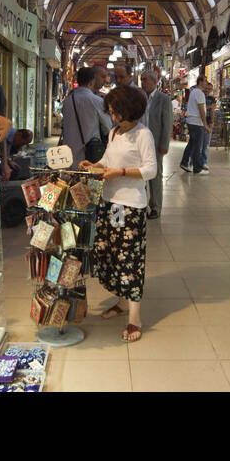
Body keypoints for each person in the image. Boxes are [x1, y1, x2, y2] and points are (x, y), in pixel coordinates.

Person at [86, 84, 157, 343]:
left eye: (115, 110)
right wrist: (94, 166)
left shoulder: (143, 135)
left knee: (130, 259)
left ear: (128, 110)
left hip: (131, 204)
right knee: (112, 253)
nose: (111, 114)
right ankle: (120, 300)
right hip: (111, 202)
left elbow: (151, 170)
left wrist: (122, 173)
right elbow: (107, 161)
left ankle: (134, 317)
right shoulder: (114, 132)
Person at [59, 65, 111, 166]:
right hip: (89, 154)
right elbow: (108, 127)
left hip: (69, 154)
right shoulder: (97, 101)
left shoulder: (68, 101)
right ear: (92, 81)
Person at [139, 69, 171, 219]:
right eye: (142, 79)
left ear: (154, 81)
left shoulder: (163, 99)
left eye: (145, 79)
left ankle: (156, 206)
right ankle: (141, 204)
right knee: (140, 175)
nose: (143, 82)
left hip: (156, 143)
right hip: (140, 143)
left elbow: (167, 123)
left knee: (156, 175)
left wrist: (164, 144)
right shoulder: (140, 98)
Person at [179, 77, 212, 174]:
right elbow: (201, 110)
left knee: (192, 144)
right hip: (197, 122)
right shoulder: (199, 93)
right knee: (198, 146)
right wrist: (205, 125)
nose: (207, 83)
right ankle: (197, 168)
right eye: (205, 81)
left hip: (192, 121)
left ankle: (184, 162)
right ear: (201, 82)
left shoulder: (194, 92)